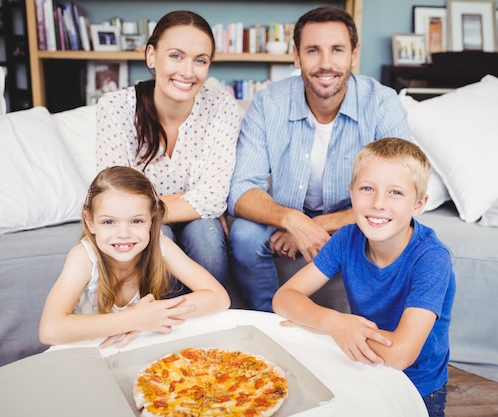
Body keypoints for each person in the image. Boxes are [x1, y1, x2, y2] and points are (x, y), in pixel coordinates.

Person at [227, 6, 411, 311]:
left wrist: (319, 225)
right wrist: (292, 220)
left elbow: (401, 193)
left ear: (354, 55)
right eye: (313, 51)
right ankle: (270, 318)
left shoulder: (382, 104)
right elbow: (241, 188)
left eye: (337, 50)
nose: (326, 64)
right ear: (297, 56)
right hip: (286, 212)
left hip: (354, 216)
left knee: (391, 230)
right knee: (244, 234)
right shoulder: (268, 103)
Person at [272, 138, 456, 417]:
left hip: (418, 387)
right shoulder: (346, 239)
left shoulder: (431, 258)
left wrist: (327, 330)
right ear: (352, 193)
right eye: (367, 189)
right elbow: (284, 298)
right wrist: (334, 322)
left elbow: (401, 354)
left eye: (395, 193)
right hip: (362, 367)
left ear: (419, 204)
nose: (378, 203)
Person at [95, 10, 241, 288]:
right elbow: (117, 196)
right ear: (151, 55)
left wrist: (144, 207)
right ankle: (169, 328)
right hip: (146, 224)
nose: (188, 71)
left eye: (200, 60)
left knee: (207, 234)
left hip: (192, 222)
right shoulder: (115, 108)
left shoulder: (221, 107)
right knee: (159, 236)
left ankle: (213, 321)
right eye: (176, 56)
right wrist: (188, 200)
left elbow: (213, 198)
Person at [39, 166, 230, 348]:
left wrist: (153, 316)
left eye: (136, 221)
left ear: (152, 220)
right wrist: (134, 319)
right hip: (89, 352)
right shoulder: (83, 257)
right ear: (90, 222)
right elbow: (49, 330)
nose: (123, 233)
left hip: (130, 349)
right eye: (108, 222)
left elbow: (219, 297)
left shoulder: (160, 246)